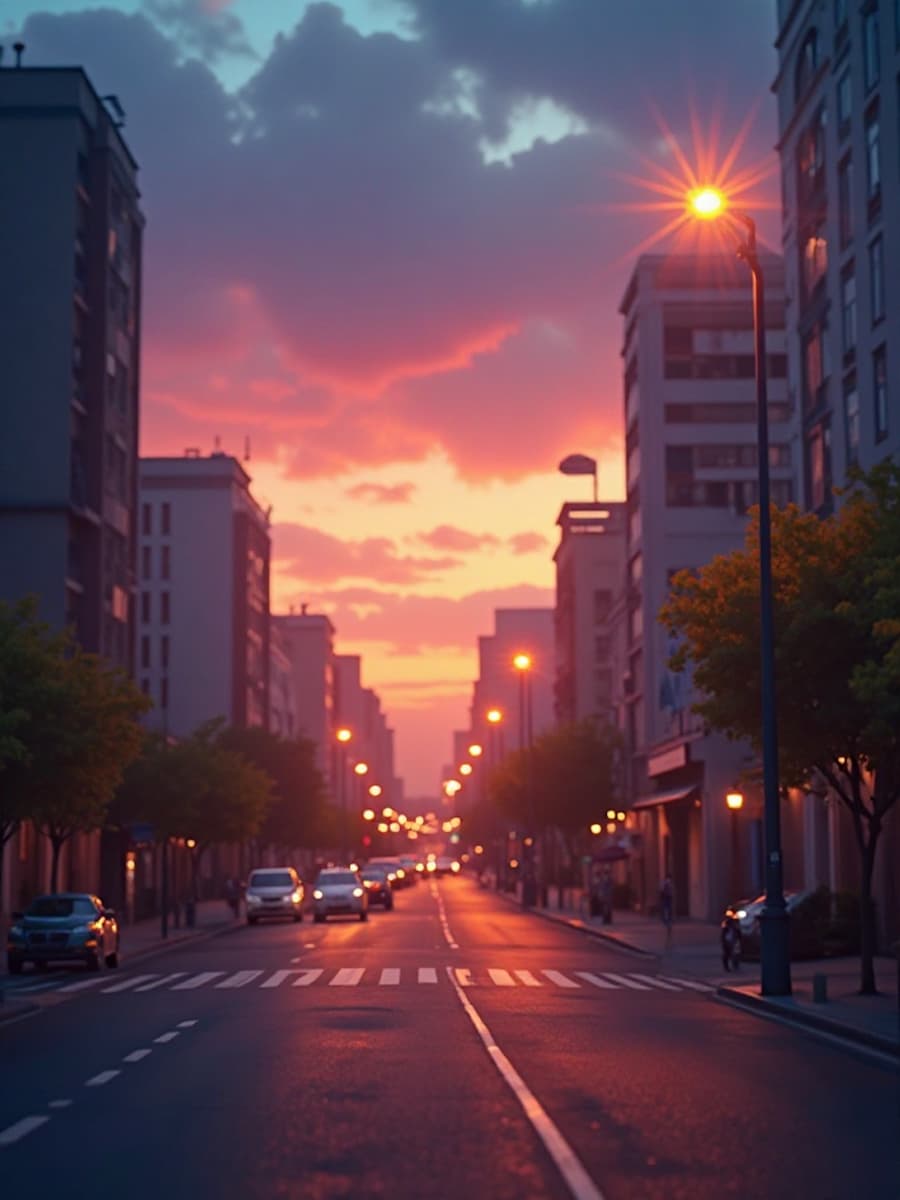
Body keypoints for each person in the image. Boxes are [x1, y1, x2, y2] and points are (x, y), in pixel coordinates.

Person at [659, 874, 674, 944]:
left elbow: (669, 892)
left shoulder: (667, 884)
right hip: (666, 898)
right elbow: (662, 891)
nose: (669, 880)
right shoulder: (665, 883)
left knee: (667, 908)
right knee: (666, 908)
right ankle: (666, 919)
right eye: (668, 878)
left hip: (667, 898)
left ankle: (667, 919)